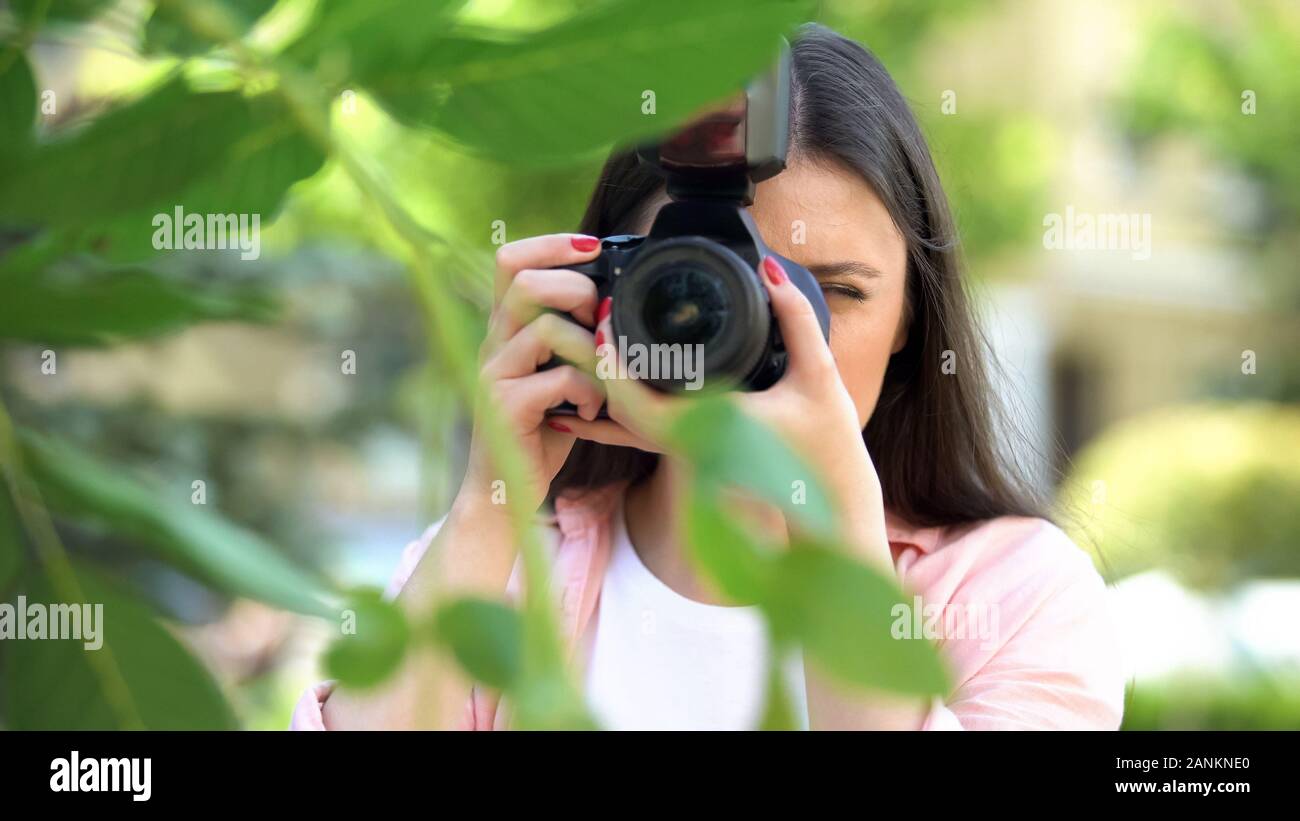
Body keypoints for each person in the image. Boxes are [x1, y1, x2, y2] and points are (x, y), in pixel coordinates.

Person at [291, 23, 1126, 731]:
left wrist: (835, 517)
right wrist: (490, 497)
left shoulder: (1016, 595)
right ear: (602, 289)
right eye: (704, 287)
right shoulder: (500, 569)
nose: (769, 332)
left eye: (828, 293)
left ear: (914, 315)